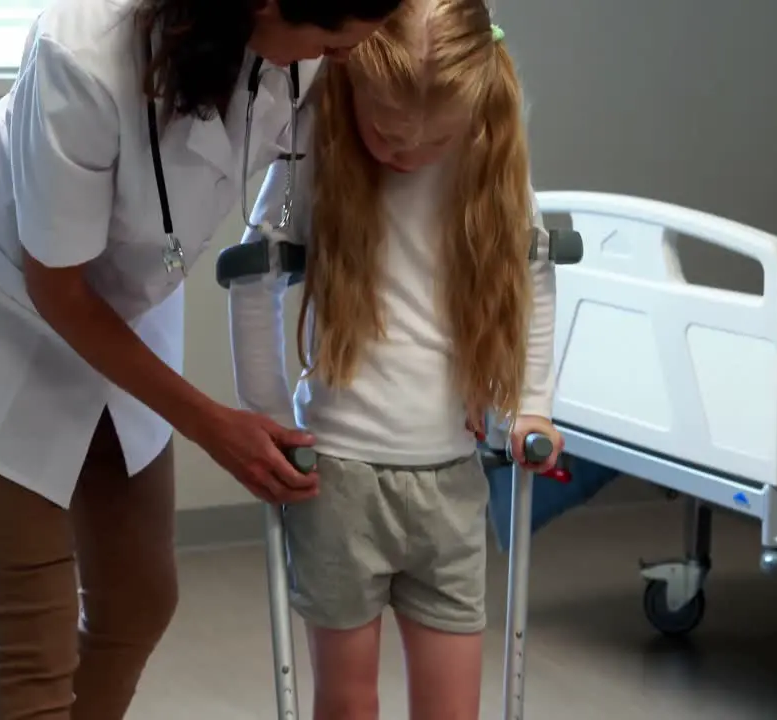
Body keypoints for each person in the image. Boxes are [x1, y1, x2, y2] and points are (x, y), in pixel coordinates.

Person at [0, 0, 401, 716]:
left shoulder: (291, 39)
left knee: (138, 598)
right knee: (38, 636)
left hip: (123, 306)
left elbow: (443, 36)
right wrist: (215, 425)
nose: (343, 58)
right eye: (332, 40)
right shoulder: (82, 54)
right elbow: (56, 290)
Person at [228, 1, 563, 717]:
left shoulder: (491, 155)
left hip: (450, 477)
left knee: (453, 706)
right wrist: (263, 411)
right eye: (383, 131)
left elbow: (534, 272)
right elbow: (251, 270)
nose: (404, 153)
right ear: (354, 84)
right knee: (347, 703)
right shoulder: (312, 144)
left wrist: (533, 403)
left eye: (432, 139)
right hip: (339, 481)